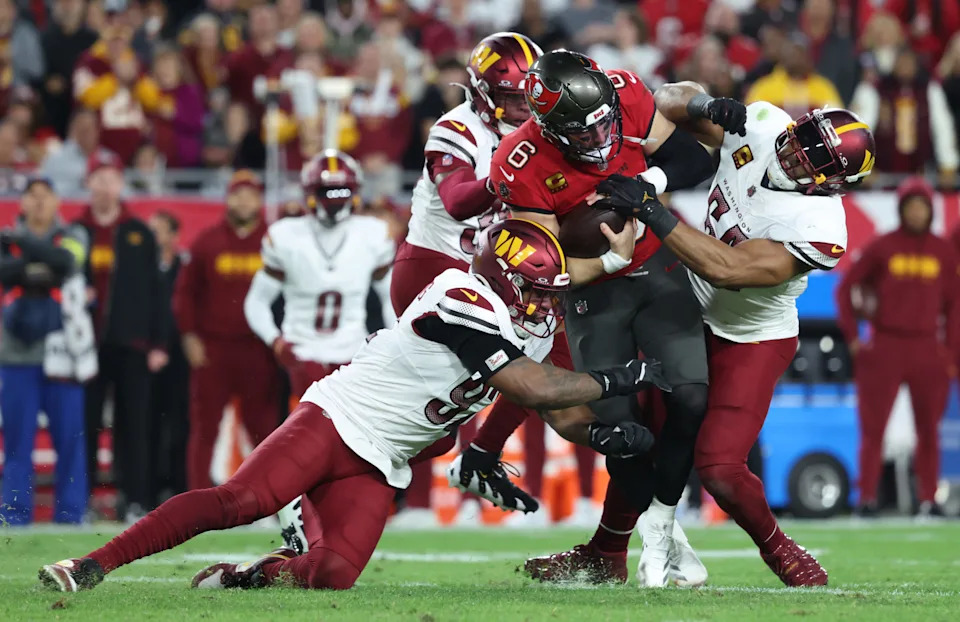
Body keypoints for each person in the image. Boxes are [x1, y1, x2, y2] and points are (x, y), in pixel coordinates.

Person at [38, 218, 666, 593]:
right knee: (240, 501)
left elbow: (558, 410)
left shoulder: (522, 320)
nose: (543, 304)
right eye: (534, 290)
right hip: (341, 419)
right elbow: (533, 388)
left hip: (384, 456)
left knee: (334, 572)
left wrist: (605, 439)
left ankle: (249, 578)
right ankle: (92, 564)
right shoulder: (459, 297)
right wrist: (626, 376)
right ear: (505, 281)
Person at [456, 49, 724, 587]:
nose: (600, 137)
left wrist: (647, 182)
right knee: (621, 430)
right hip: (593, 289)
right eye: (581, 132)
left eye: (604, 121)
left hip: (658, 264)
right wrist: (608, 260)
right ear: (548, 129)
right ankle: (640, 542)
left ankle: (662, 527)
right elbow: (543, 265)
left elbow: (696, 161)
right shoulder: (519, 158)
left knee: (691, 397)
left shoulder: (623, 89)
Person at [596, 84, 877, 586]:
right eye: (802, 139)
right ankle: (604, 553)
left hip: (751, 337)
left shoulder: (820, 226)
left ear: (830, 185)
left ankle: (781, 550)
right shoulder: (765, 123)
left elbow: (727, 267)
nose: (794, 154)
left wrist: (652, 209)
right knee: (638, 438)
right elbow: (665, 100)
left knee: (721, 467)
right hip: (689, 308)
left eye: (811, 159)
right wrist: (705, 104)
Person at [392, 32, 545, 527]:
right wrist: (513, 176)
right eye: (509, 99)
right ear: (481, 93)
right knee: (433, 425)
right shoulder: (456, 128)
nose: (522, 110)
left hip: (490, 277)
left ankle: (481, 456)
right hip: (435, 272)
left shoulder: (542, 130)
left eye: (529, 98)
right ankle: (322, 482)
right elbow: (459, 200)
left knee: (553, 349)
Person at [836, 176, 959, 518]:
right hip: (885, 345)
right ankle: (867, 499)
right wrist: (854, 339)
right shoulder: (882, 246)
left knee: (928, 431)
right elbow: (846, 288)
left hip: (926, 348)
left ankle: (928, 499)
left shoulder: (943, 251)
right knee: (873, 429)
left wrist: (950, 354)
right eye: (911, 206)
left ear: (931, 210)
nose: (918, 213)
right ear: (902, 208)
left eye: (923, 206)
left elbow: (954, 307)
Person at [75, 149, 168, 522]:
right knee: (85, 423)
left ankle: (134, 500)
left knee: (134, 425)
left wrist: (158, 342)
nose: (105, 186)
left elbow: (158, 292)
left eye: (111, 178)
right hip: (84, 345)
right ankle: (80, 498)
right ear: (88, 183)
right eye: (99, 178)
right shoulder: (76, 231)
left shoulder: (138, 232)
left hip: (132, 344)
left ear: (121, 183)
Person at [173, 170, 280, 491]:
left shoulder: (275, 242)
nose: (244, 201)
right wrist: (189, 335)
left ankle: (275, 501)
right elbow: (185, 293)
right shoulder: (208, 242)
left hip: (258, 350)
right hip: (214, 349)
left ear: (260, 200)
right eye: (238, 194)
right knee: (205, 429)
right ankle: (195, 500)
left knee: (265, 431)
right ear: (228, 199)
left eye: (250, 194)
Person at [0, 177, 95, 525]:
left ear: (57, 201)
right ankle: (14, 515)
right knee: (16, 442)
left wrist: (23, 247)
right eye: (32, 196)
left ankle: (71, 515)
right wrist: (42, 269)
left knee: (70, 440)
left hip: (65, 353)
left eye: (45, 196)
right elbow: (4, 271)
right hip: (15, 355)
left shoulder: (74, 234)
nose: (39, 202)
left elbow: (68, 262)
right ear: (21, 202)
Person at [148, 210, 189, 504]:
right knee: (145, 425)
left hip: (180, 357)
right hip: (145, 356)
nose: (154, 238)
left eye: (160, 231)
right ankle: (146, 492)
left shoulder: (185, 268)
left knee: (180, 424)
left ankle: (179, 487)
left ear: (174, 236)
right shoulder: (141, 269)